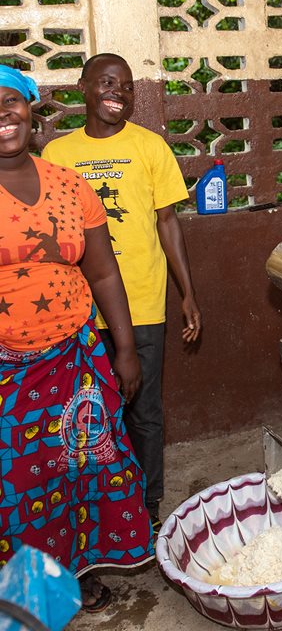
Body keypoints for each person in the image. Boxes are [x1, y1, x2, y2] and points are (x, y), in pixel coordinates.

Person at [0, 65, 154, 612]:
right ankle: (27, 592)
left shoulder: (70, 185)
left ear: (31, 108)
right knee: (18, 486)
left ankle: (77, 570)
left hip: (76, 357)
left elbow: (105, 272)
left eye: (12, 101)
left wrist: (126, 349)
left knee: (81, 467)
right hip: (7, 373)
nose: (3, 114)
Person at [43, 54, 202, 533]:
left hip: (143, 301)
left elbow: (168, 222)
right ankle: (100, 504)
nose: (119, 92)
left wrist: (187, 294)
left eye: (128, 86)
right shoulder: (57, 155)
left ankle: (147, 506)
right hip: (78, 310)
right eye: (108, 83)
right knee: (87, 414)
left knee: (144, 410)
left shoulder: (150, 147)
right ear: (83, 87)